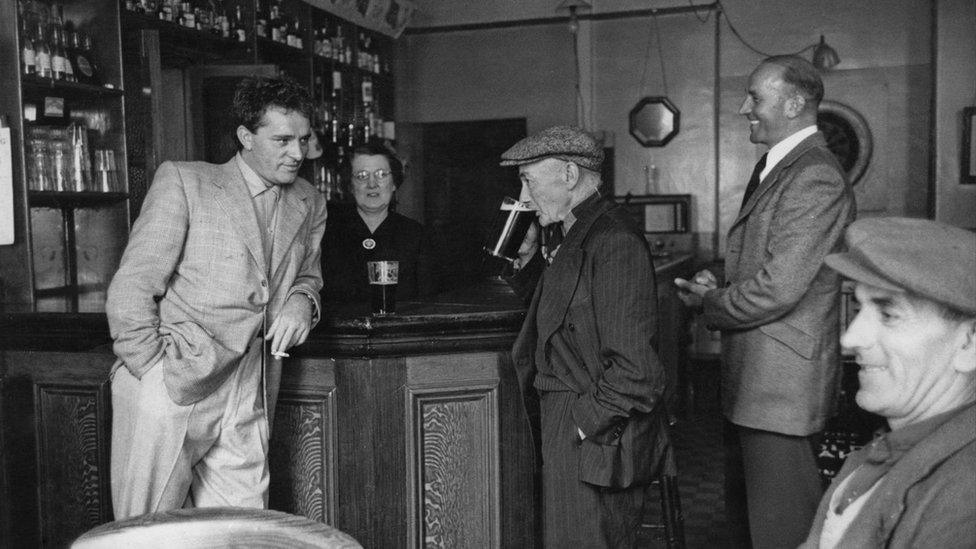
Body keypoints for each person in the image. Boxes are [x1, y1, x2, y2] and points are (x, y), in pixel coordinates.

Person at [105, 77, 327, 519]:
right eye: (282, 140)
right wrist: (153, 372)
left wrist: (303, 300)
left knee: (242, 531)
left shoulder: (309, 199)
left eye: (303, 139)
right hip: (173, 379)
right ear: (246, 137)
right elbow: (131, 286)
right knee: (145, 532)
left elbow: (308, 274)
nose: (297, 153)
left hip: (252, 384)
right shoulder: (187, 181)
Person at [674, 55, 856, 548]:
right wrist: (722, 272)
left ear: (795, 103)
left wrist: (712, 302)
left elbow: (780, 286)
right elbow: (769, 255)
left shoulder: (814, 175)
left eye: (755, 96)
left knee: (781, 531)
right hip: (759, 380)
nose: (742, 108)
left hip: (781, 388)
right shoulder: (781, 166)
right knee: (752, 525)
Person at [503, 126, 669, 548]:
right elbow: (554, 316)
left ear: (570, 175)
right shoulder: (579, 231)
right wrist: (527, 261)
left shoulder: (613, 241)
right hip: (573, 426)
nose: (523, 196)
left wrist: (581, 426)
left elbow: (637, 371)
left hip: (592, 435)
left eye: (528, 179)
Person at [800, 217, 976, 547]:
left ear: (969, 344)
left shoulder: (964, 495)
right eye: (859, 309)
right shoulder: (896, 446)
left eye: (889, 315)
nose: (850, 337)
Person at [320, 139, 434, 304]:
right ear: (350, 185)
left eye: (381, 175)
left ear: (394, 182)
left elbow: (428, 302)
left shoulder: (416, 235)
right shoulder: (328, 234)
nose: (372, 184)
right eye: (362, 176)